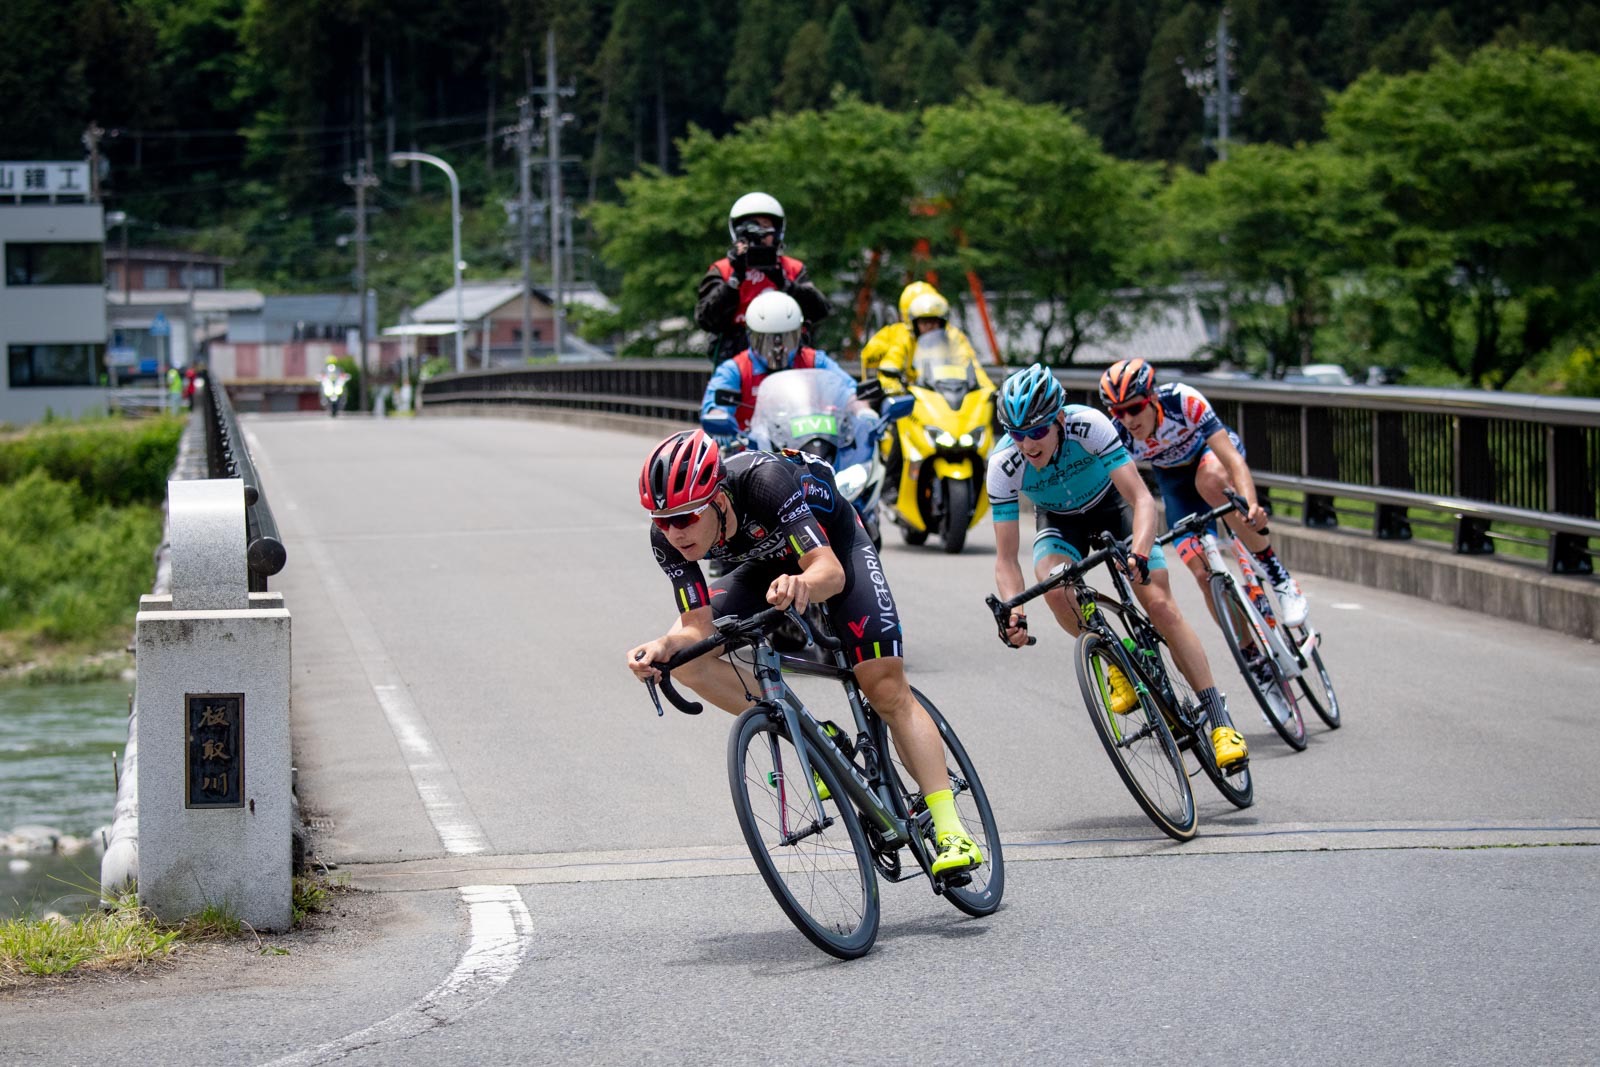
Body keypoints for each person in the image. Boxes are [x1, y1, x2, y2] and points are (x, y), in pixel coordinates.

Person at [626, 429, 984, 876]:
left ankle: (953, 831)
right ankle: (815, 732)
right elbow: (696, 626)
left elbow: (829, 573)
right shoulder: (667, 540)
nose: (673, 532)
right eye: (662, 520)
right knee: (690, 661)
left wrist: (803, 584)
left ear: (717, 500)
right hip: (766, 564)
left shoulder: (765, 482)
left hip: (834, 549)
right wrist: (662, 646)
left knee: (884, 687)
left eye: (684, 518)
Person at [987, 364, 1248, 770]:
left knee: (1159, 605)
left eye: (1037, 431)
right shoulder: (1004, 465)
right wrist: (1014, 611)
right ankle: (1114, 658)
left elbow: (1143, 500)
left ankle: (1219, 721)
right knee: (1055, 587)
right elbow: (1006, 559)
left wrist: (1140, 552)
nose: (1027, 444)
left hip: (1115, 509)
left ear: (1059, 418)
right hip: (1060, 521)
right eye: (1017, 434)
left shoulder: (1089, 426)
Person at [1098, 359, 1307, 627]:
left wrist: (1250, 505)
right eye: (1118, 412)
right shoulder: (1119, 434)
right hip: (1174, 482)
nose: (1128, 419)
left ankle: (1281, 580)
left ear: (1152, 397)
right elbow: (1124, 493)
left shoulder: (1182, 400)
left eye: (1134, 408)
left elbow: (1232, 460)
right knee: (1202, 573)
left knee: (1208, 481)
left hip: (1210, 457)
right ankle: (1252, 656)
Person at [699, 291, 877, 464]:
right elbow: (714, 406)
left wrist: (864, 411)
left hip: (812, 456)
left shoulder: (815, 360)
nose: (778, 350)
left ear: (800, 334)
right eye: (768, 341)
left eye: (787, 339)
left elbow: (848, 392)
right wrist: (719, 418)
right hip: (754, 460)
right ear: (751, 337)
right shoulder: (735, 369)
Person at [695, 192, 831, 367]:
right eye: (751, 229)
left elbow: (820, 310)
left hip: (788, 361)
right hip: (738, 365)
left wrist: (784, 284)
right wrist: (735, 280)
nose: (759, 236)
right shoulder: (723, 270)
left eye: (765, 228)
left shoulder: (792, 269)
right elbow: (706, 319)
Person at [861, 282, 994, 396]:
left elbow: (973, 366)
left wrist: (989, 391)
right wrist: (895, 389)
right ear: (913, 321)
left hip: (948, 396)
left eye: (934, 320)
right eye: (924, 321)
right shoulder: (903, 338)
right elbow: (889, 369)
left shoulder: (953, 337)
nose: (930, 326)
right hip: (914, 399)